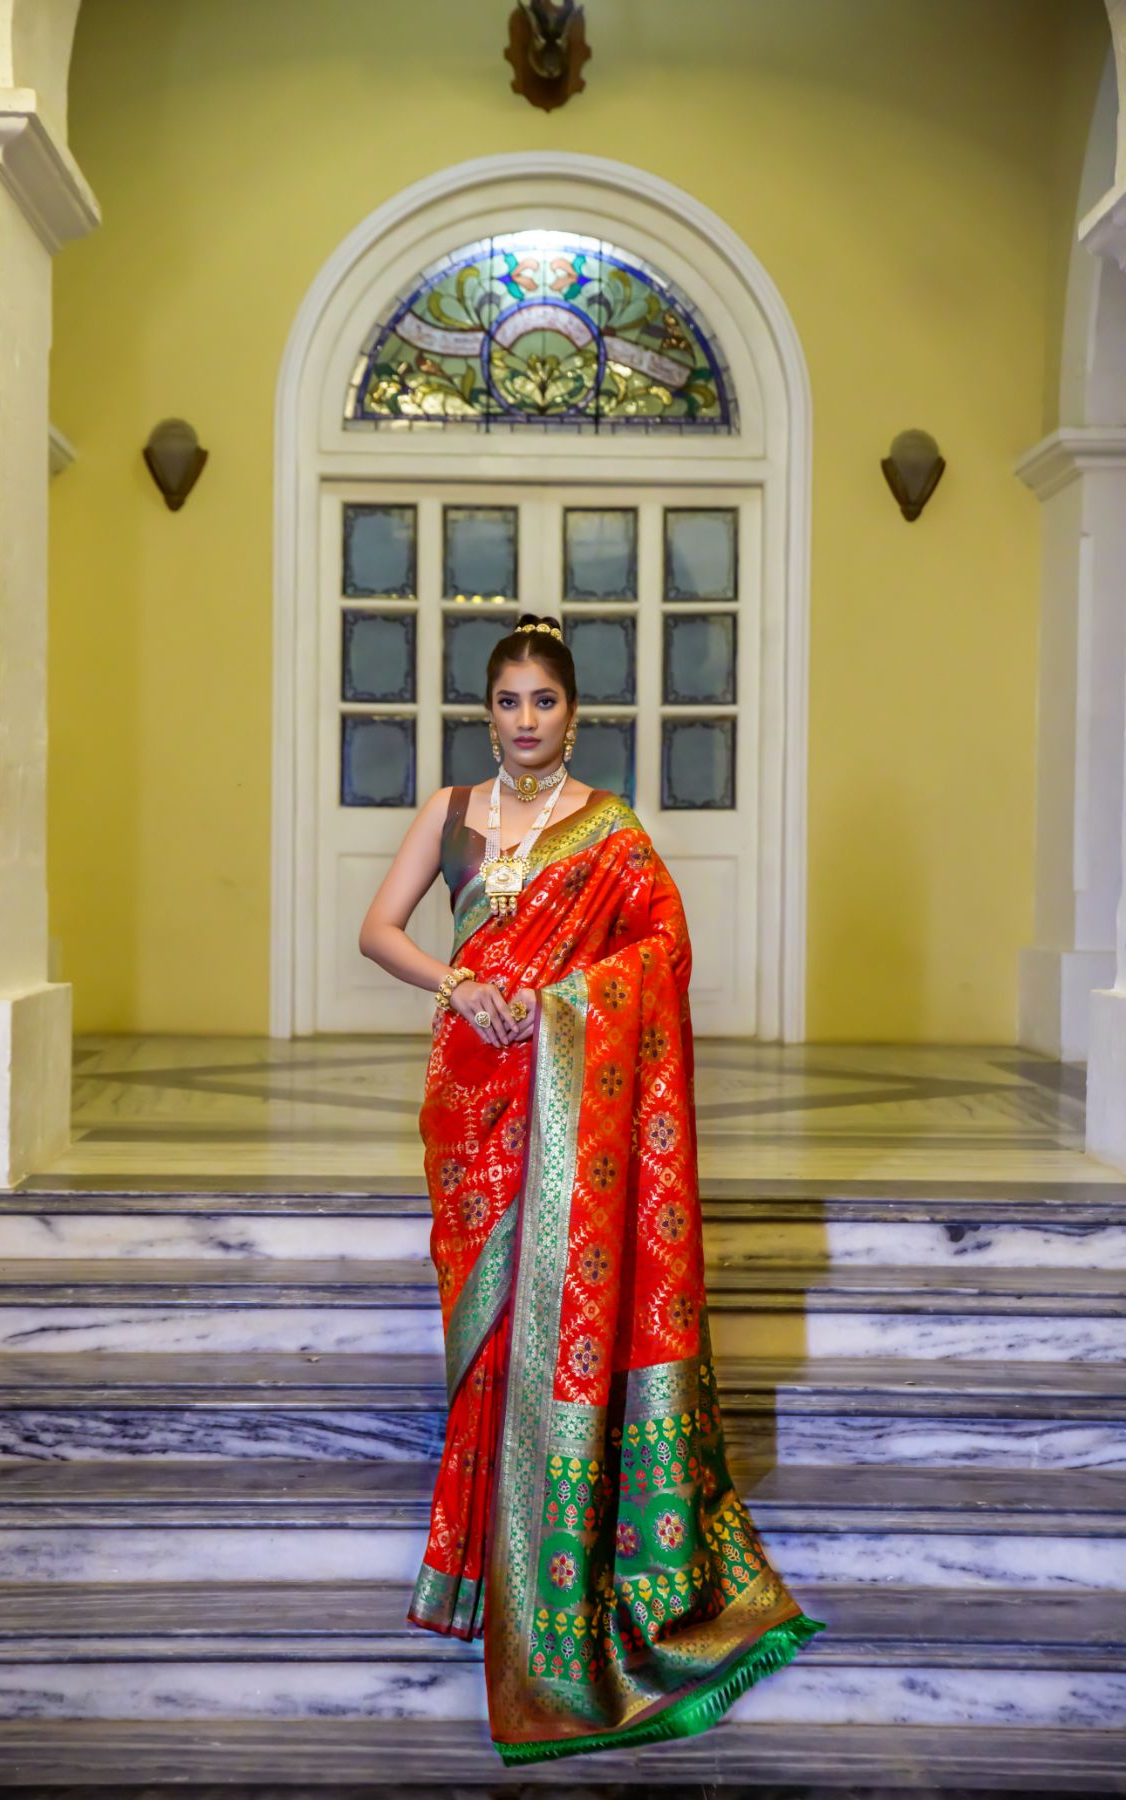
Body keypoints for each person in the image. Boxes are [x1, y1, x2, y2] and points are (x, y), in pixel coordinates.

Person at [358, 613, 823, 1764]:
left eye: (545, 702)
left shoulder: (611, 834)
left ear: (574, 712)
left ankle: (554, 1579)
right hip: (474, 1105)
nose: (526, 722)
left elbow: (661, 951)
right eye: (508, 702)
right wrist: (459, 983)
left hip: (576, 1108)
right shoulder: (452, 813)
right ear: (487, 712)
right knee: (490, 1329)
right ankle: (477, 1568)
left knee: (553, 1327)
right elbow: (378, 931)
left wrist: (568, 1007)